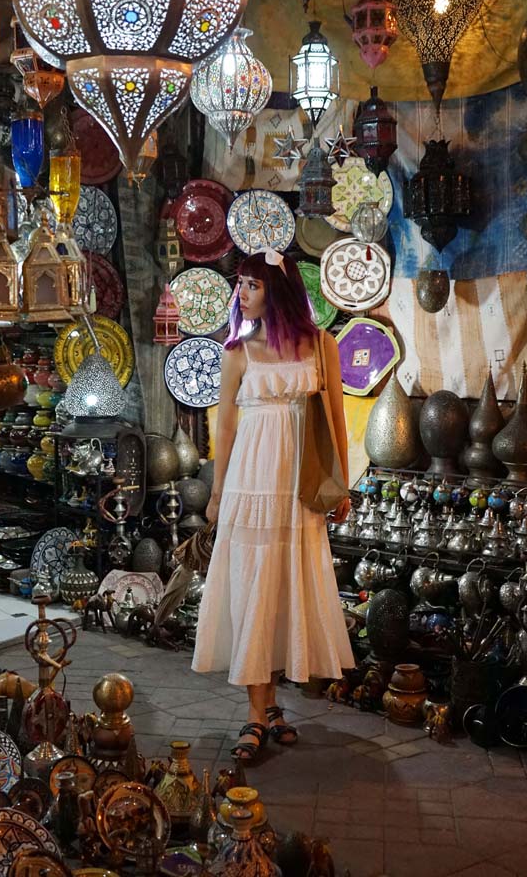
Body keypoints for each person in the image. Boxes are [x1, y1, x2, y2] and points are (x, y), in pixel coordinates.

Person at [192, 248, 354, 761]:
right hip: (250, 484)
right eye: (240, 283)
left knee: (288, 589)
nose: (242, 293)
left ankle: (273, 704)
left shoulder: (321, 344)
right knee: (253, 584)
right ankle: (255, 714)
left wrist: (341, 483)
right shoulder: (237, 351)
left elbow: (334, 418)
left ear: (277, 291)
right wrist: (217, 494)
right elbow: (226, 427)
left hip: (300, 486)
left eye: (252, 285)